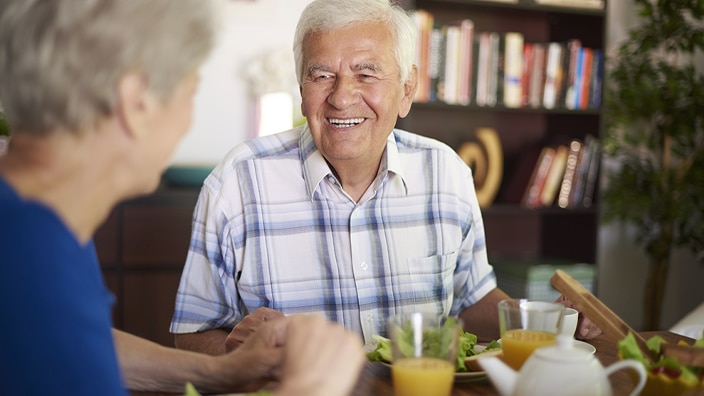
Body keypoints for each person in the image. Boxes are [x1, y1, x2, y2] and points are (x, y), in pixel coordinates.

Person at [170, 0, 601, 356]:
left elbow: (470, 300)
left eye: (366, 73)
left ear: (407, 89)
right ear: (302, 89)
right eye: (322, 75)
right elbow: (190, 335)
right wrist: (236, 349)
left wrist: (550, 320)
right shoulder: (237, 182)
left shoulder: (446, 173)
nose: (341, 97)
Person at [0, 1, 365, 396]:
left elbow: (73, 345)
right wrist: (310, 386)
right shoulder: (29, 256)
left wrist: (225, 371)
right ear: (136, 102)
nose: (188, 119)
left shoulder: (37, 222)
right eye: (191, 91)